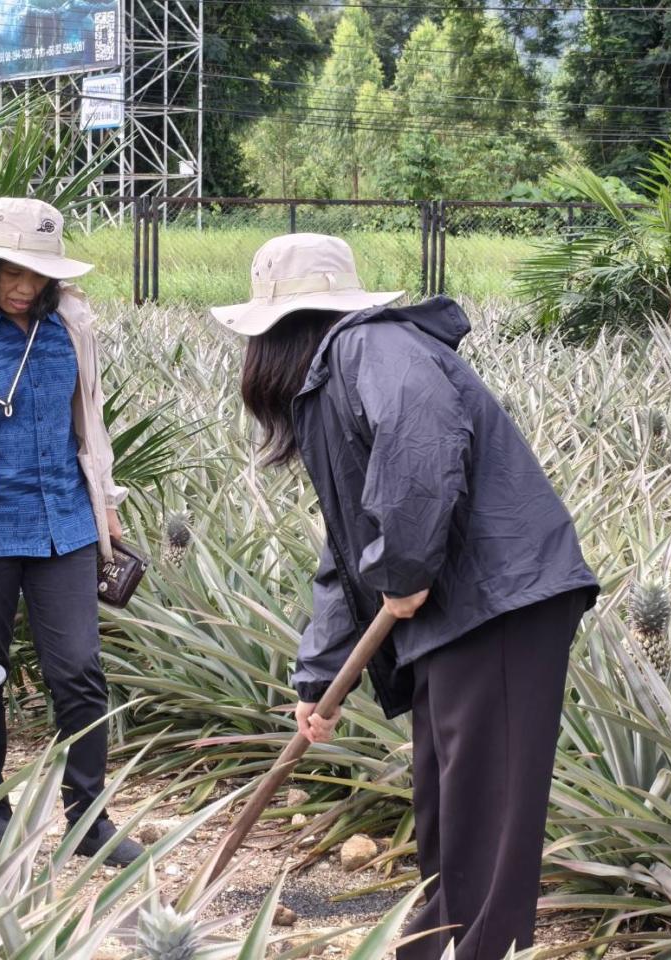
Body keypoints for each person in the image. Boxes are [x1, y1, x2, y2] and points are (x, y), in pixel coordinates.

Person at [213, 234, 600, 960]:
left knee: (486, 814)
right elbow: (347, 549)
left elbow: (424, 439)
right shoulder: (331, 380)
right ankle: (434, 946)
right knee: (448, 801)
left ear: (277, 333)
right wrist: (318, 677)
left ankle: (483, 951)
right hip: (460, 612)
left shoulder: (371, 346)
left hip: (502, 600)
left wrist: (405, 566)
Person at [0, 196, 143, 864]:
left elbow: (90, 419)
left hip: (65, 524)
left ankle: (88, 819)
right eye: (11, 271)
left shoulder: (72, 325)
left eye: (37, 273)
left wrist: (106, 502)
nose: (24, 285)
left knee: (79, 669)